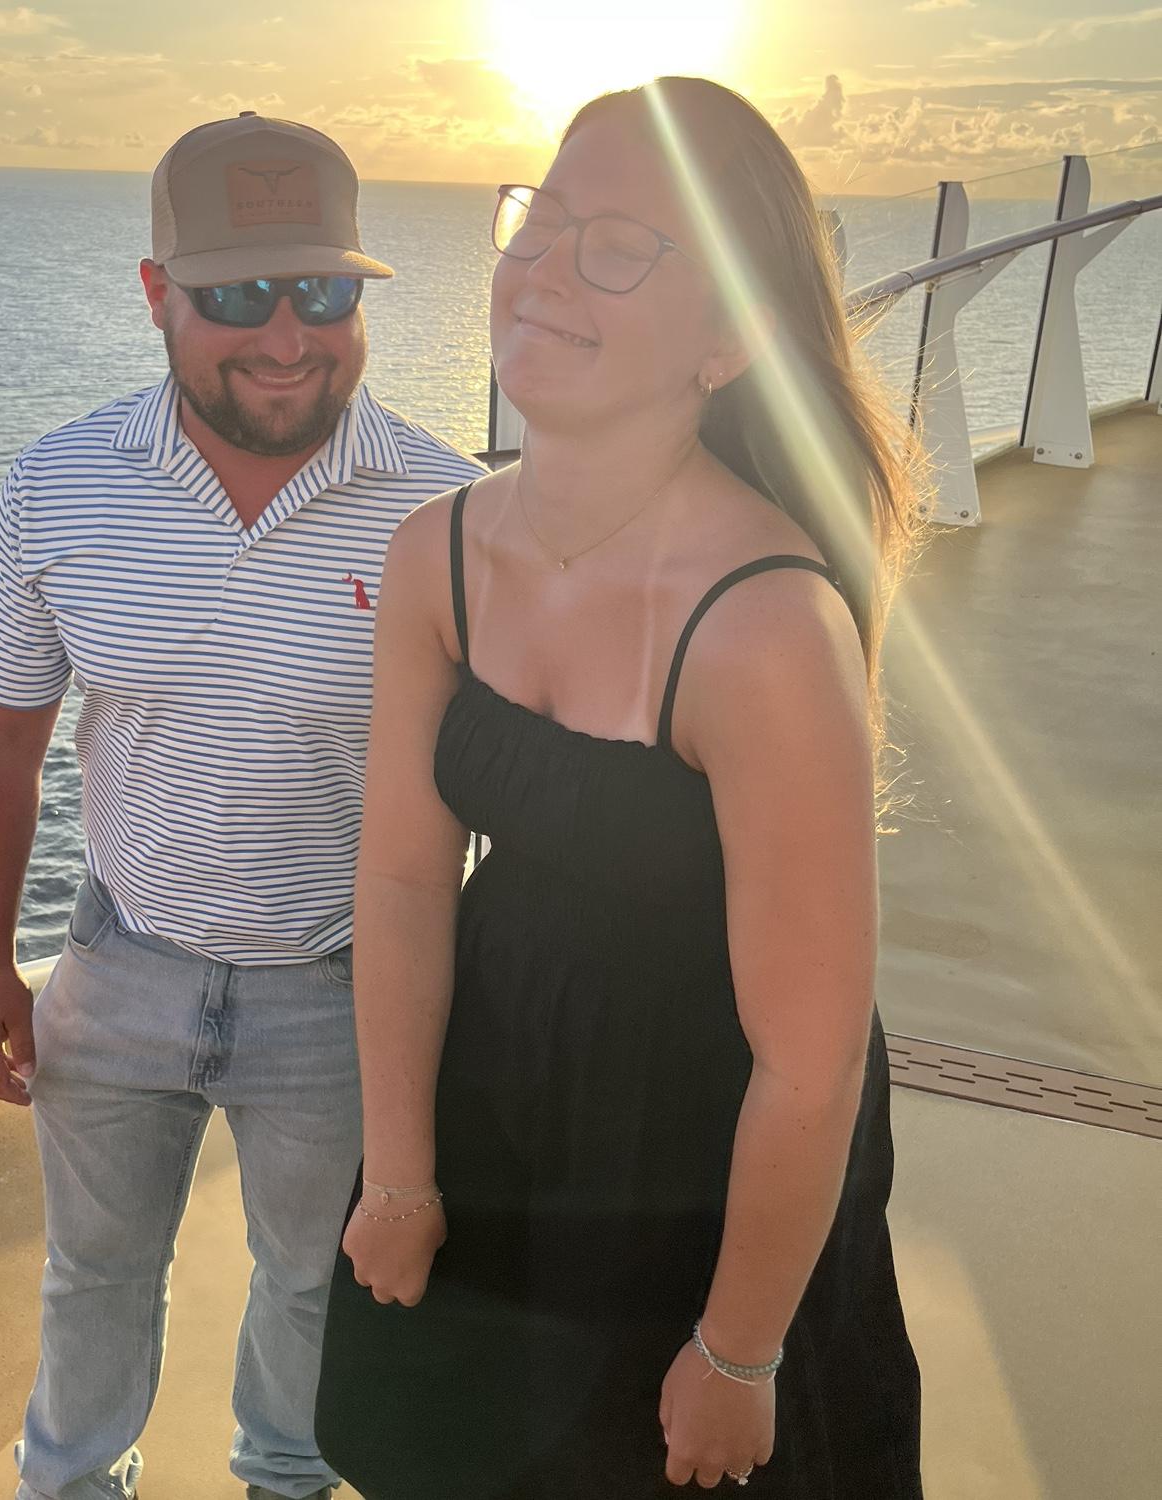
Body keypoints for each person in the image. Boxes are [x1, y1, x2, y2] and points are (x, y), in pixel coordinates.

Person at [315, 76, 925, 1498]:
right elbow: (402, 876)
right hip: (497, 1074)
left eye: (617, 247)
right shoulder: (437, 553)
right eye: (541, 220)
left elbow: (811, 1062)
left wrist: (741, 1351)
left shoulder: (765, 628)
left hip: (706, 1139)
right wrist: (399, 1171)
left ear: (728, 339)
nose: (541, 267)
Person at [0, 111, 485, 1500]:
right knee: (94, 1273)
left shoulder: (452, 511)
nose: (288, 336)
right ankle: (73, 1485)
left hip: (343, 987)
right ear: (155, 294)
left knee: (313, 1284)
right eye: (239, 297)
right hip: (122, 957)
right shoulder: (62, 484)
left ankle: (284, 1485)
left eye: (324, 292)